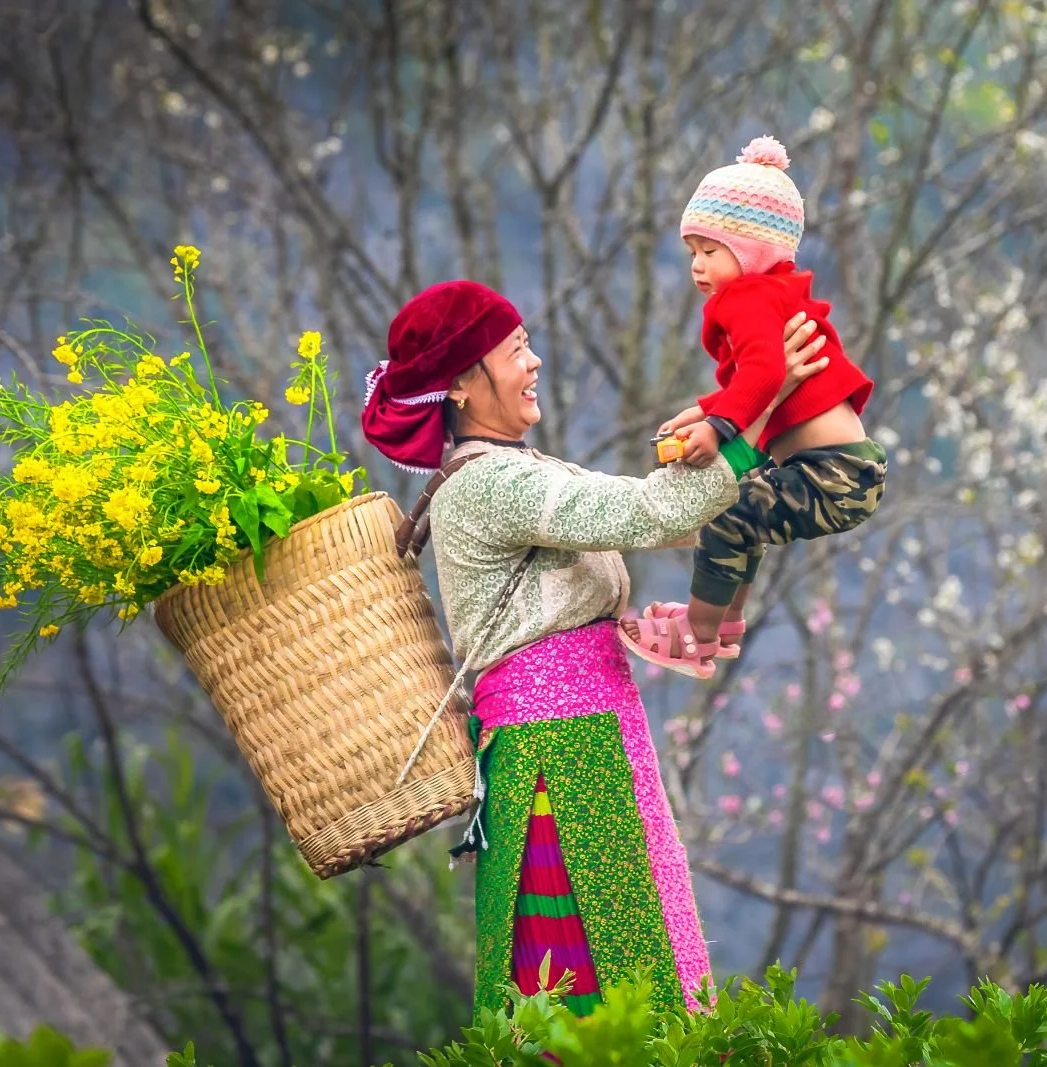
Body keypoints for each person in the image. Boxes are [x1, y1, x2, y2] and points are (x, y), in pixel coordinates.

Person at [360, 279, 827, 1019]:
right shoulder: (491, 486)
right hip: (561, 756)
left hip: (587, 737)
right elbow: (652, 510)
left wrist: (761, 427)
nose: (535, 361)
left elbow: (672, 518)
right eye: (516, 350)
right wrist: (756, 402)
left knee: (635, 969)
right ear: (458, 385)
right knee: (610, 988)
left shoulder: (516, 470)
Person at [617, 136, 887, 679]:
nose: (698, 266)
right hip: (842, 469)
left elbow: (765, 375)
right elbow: (760, 381)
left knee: (729, 514)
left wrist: (718, 428)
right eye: (693, 251)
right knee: (745, 512)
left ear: (752, 251)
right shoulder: (773, 292)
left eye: (711, 252)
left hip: (831, 473)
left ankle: (697, 632)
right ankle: (722, 621)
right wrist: (707, 409)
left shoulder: (746, 298)